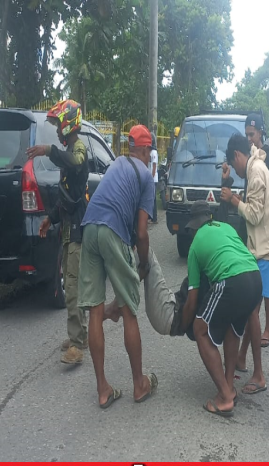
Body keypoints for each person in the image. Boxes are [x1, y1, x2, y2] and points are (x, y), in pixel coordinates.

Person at [78, 124, 158, 409]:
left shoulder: (116, 164)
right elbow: (142, 232)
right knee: (129, 311)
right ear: (146, 150)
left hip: (89, 228)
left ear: (129, 147)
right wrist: (144, 264)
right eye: (149, 152)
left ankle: (103, 389)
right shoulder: (146, 176)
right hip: (112, 231)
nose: (149, 157)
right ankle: (139, 384)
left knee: (95, 311)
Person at [179, 201, 264, 417]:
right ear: (210, 218)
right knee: (232, 329)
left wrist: (183, 324)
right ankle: (229, 387)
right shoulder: (226, 227)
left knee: (200, 329)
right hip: (255, 278)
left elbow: (193, 298)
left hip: (232, 280)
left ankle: (225, 398)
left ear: (193, 226)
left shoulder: (195, 245)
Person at [220, 133, 269, 395]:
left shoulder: (256, 172)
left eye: (233, 164)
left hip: (267, 249)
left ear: (238, 156)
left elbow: (256, 215)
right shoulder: (255, 168)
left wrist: (235, 201)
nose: (235, 171)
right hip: (264, 246)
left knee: (251, 311)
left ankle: (259, 374)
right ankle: (242, 357)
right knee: (251, 308)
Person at [26, 100, 89, 365]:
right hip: (66, 227)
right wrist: (49, 219)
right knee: (69, 283)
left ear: (68, 123)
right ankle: (77, 334)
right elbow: (65, 196)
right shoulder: (68, 149)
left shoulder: (79, 148)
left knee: (72, 287)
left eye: (57, 124)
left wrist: (47, 150)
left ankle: (78, 342)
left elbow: (76, 164)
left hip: (77, 231)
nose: (56, 130)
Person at [240, 113, 269, 351]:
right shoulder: (252, 159)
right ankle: (245, 349)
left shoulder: (267, 160)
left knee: (266, 289)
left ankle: (267, 328)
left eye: (252, 134)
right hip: (258, 230)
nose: (250, 139)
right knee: (261, 289)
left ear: (261, 134)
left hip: (268, 228)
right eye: (247, 134)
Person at [149, 135, 159, 224]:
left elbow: (154, 165)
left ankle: (154, 218)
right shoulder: (150, 151)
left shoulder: (154, 152)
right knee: (150, 197)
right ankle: (150, 216)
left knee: (153, 198)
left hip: (153, 178)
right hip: (150, 177)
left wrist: (151, 177)